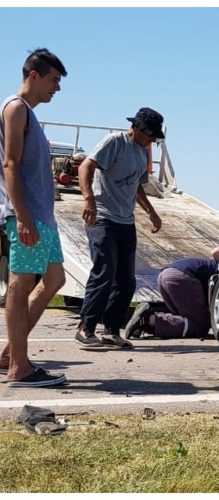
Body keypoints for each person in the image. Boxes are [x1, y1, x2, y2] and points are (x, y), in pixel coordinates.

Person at [0, 49, 68, 386]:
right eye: (54, 80)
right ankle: (19, 369)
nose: (57, 87)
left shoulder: (29, 114)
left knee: (55, 280)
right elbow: (9, 164)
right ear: (34, 76)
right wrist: (23, 218)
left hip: (43, 216)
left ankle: (9, 354)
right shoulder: (15, 108)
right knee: (21, 282)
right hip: (27, 214)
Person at [74, 107, 164, 350]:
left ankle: (111, 331)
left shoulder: (142, 153)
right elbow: (85, 167)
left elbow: (137, 186)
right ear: (136, 128)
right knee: (104, 272)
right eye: (149, 135)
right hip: (102, 217)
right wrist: (88, 199)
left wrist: (151, 212)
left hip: (126, 221)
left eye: (154, 137)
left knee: (126, 280)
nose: (151, 140)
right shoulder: (115, 142)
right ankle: (85, 328)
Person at [124, 247, 219, 339]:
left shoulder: (214, 265)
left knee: (183, 319)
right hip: (182, 277)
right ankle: (149, 319)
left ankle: (144, 324)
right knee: (200, 326)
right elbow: (216, 251)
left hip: (165, 274)